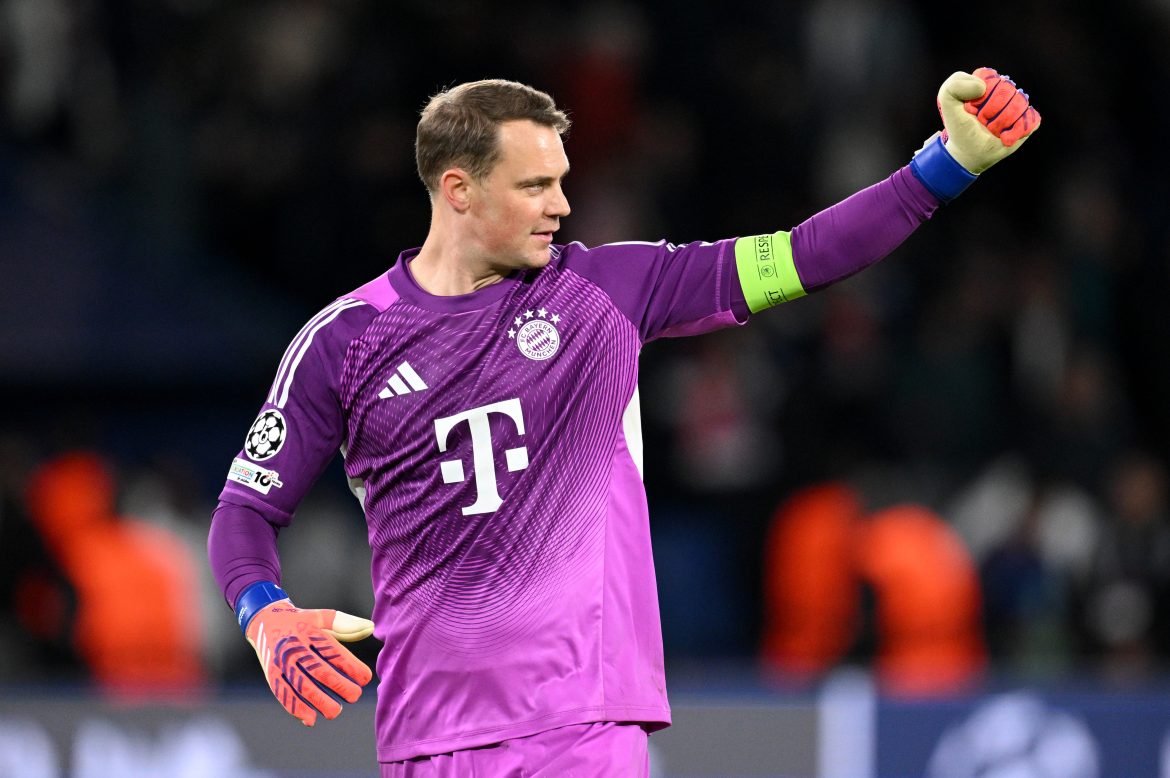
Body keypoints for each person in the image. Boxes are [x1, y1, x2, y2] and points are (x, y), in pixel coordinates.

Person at [208, 67, 1040, 774]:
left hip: (586, 723)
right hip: (432, 737)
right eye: (535, 185)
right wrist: (265, 613)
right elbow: (246, 511)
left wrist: (942, 170)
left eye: (562, 179)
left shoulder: (607, 292)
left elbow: (802, 256)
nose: (562, 205)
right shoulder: (344, 342)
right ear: (457, 190)